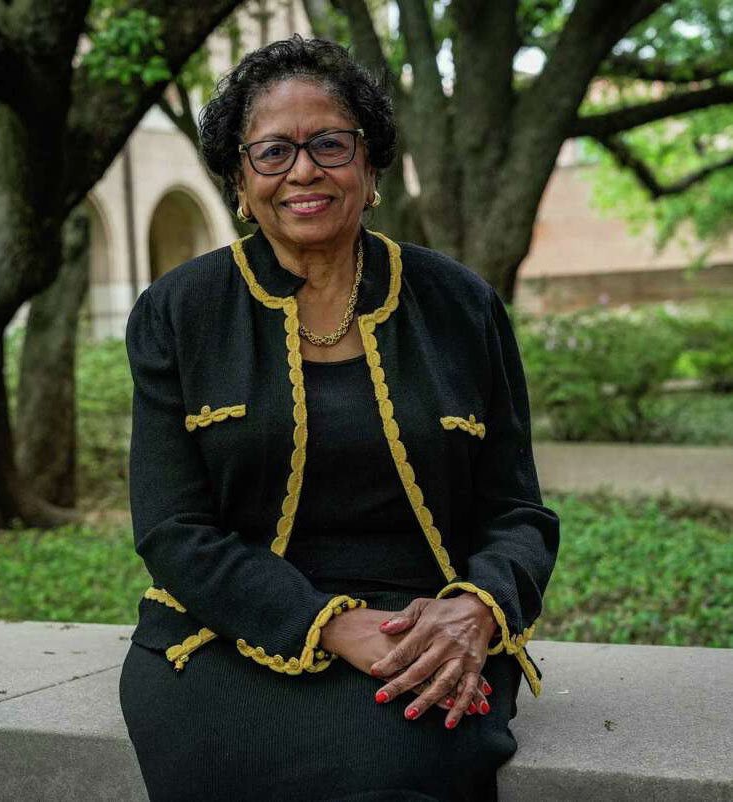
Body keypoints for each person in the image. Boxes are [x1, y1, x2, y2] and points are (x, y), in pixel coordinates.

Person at [118, 35, 560, 802]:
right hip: (226, 634)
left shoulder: (460, 305)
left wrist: (475, 610)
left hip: (424, 638)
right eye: (272, 152)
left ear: (370, 164)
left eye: (329, 143)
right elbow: (172, 529)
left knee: (397, 769)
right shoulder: (179, 312)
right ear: (237, 178)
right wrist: (327, 624)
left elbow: (518, 511)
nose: (304, 170)